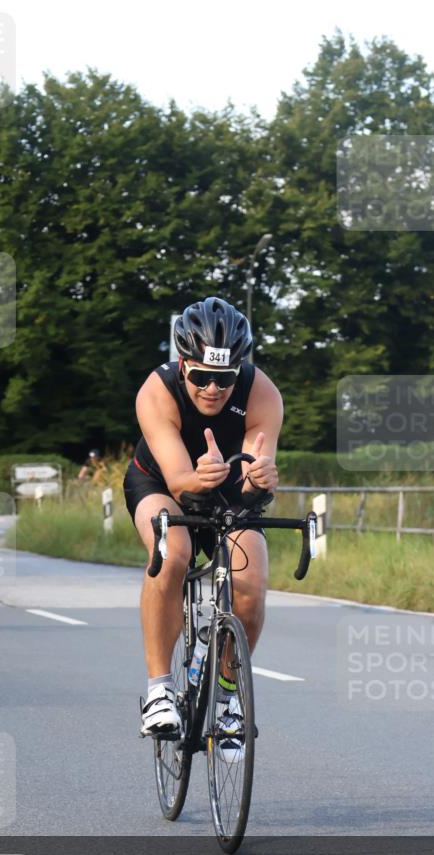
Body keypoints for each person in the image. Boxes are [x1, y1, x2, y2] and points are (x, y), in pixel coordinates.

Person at [123, 297, 283, 760]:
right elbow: (179, 480)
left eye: (225, 379)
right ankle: (158, 691)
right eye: (201, 377)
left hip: (227, 488)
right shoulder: (156, 391)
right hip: (161, 483)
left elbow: (257, 465)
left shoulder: (262, 393)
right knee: (171, 551)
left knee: (249, 582)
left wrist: (260, 480)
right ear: (182, 364)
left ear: (240, 371)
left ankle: (229, 698)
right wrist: (200, 476)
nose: (213, 389)